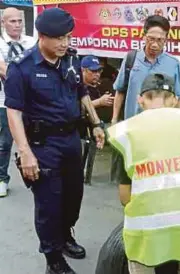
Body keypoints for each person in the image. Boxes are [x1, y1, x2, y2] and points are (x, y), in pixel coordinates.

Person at [4, 8, 105, 274]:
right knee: (49, 203)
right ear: (42, 36)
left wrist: (95, 123)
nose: (64, 43)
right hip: (42, 144)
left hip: (71, 139)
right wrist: (25, 152)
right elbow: (13, 111)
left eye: (68, 37)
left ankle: (65, 236)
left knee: (74, 196)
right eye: (58, 38)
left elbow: (81, 92)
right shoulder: (22, 67)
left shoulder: (71, 59)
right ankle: (52, 258)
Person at [107, 73, 180, 274]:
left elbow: (124, 196)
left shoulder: (125, 132)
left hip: (145, 232)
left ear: (140, 99)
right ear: (174, 99)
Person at [112, 15, 180, 123]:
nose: (154, 45)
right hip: (133, 125)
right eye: (151, 39)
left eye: (160, 40)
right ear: (144, 36)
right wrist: (114, 119)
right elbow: (120, 91)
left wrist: (178, 124)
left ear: (166, 40)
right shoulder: (131, 59)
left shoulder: (174, 64)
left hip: (162, 127)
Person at [0, 7, 36, 197]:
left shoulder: (31, 42)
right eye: (12, 21)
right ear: (3, 23)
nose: (17, 25)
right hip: (4, 101)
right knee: (5, 143)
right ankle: (2, 178)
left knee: (34, 139)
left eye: (19, 21)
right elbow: (5, 70)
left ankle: (36, 174)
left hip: (31, 101)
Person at [81, 55, 114, 123]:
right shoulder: (76, 87)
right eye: (93, 71)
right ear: (83, 70)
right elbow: (76, 108)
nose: (97, 74)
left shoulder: (106, 83)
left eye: (99, 70)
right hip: (89, 127)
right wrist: (99, 102)